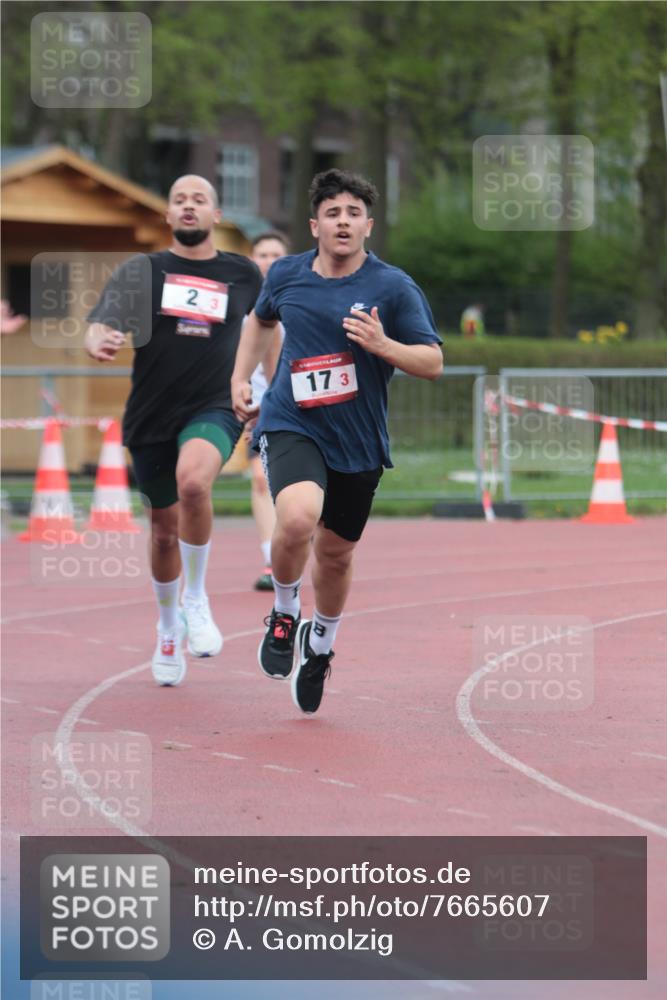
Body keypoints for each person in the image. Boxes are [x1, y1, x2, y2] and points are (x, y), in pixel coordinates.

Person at [232, 168, 442, 714]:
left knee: (335, 554)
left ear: (368, 225)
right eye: (333, 213)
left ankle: (320, 645)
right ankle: (283, 612)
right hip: (291, 422)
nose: (343, 222)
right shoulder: (285, 274)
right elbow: (259, 322)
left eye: (353, 213)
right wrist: (239, 377)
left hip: (358, 439)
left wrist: (383, 344)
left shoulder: (392, 286)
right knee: (298, 518)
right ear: (315, 225)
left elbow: (433, 361)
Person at [85, 175, 262, 686]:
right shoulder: (143, 270)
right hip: (151, 413)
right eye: (179, 200)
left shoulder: (243, 273)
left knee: (193, 483)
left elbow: (270, 327)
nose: (189, 207)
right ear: (168, 216)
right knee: (163, 531)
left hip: (213, 404)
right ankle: (167, 628)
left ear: (216, 215)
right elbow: (100, 321)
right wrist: (99, 340)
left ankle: (197, 599)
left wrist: (262, 389)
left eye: (199, 200)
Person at [246, 231, 289, 591]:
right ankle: (271, 561)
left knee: (294, 487)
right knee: (261, 480)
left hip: (297, 406)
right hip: (255, 407)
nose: (269, 260)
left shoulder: (299, 297)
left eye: (276, 254)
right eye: (262, 254)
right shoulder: (239, 302)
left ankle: (299, 544)